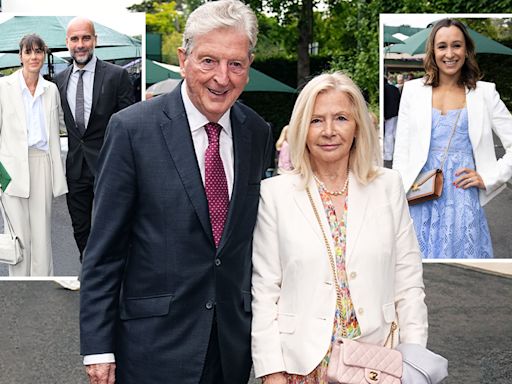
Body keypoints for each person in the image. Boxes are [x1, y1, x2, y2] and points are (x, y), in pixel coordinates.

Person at [79, 1, 272, 383]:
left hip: (229, 348)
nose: (222, 77)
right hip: (151, 348)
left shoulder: (256, 131)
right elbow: (104, 250)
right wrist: (98, 346)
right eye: (208, 61)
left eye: (235, 64)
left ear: (248, 67)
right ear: (184, 59)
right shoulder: (132, 130)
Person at [251, 72, 428, 383]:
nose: (329, 131)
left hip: (377, 360)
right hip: (300, 367)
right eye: (317, 120)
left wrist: (413, 357)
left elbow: (408, 279)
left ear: (358, 125)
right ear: (301, 129)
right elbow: (265, 292)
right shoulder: (275, 194)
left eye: (341, 118)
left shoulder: (387, 186)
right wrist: (270, 370)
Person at [393, 18, 512, 259]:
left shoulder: (485, 93)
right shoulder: (413, 91)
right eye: (442, 46)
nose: (450, 53)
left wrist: (490, 177)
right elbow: (401, 150)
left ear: (466, 50)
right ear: (433, 51)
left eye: (456, 45)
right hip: (419, 192)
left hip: (462, 197)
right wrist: (396, 196)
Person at [54, 17, 135, 262]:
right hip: (75, 169)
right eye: (75, 39)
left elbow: (128, 125)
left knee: (110, 229)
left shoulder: (117, 76)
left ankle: (109, 276)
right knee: (80, 229)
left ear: (95, 41)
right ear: (67, 42)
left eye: (86, 38)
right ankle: (88, 271)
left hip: (108, 167)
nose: (81, 44)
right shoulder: (59, 80)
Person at [0, 34, 68, 276]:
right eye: (28, 52)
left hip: (42, 164)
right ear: (20, 56)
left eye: (38, 51)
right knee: (18, 236)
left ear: (44, 55)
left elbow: (61, 125)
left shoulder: (51, 90)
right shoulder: (3, 87)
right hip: (10, 169)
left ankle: (42, 288)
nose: (34, 57)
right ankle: (19, 288)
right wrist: (1, 177)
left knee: (41, 234)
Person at [383, 77, 401, 168]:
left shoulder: (384, 89)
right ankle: (397, 153)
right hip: (396, 113)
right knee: (395, 134)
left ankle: (388, 155)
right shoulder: (395, 88)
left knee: (388, 135)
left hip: (388, 114)